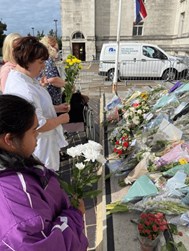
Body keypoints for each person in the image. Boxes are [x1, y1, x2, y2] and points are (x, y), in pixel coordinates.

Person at [0, 94, 88, 251]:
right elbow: (43, 245)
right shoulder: (15, 196)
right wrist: (75, 215)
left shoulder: (16, 163)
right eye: (33, 131)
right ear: (9, 139)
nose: (37, 136)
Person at [4, 36, 70, 171]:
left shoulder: (26, 78)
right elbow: (39, 124)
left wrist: (56, 108)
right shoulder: (23, 88)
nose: (43, 66)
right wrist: (61, 119)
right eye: (40, 62)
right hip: (39, 148)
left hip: (42, 144)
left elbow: (36, 108)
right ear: (27, 61)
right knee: (45, 178)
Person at [39, 35, 64, 105]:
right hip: (51, 99)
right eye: (57, 49)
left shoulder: (43, 59)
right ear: (51, 48)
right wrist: (66, 84)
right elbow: (53, 79)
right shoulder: (48, 60)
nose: (57, 52)